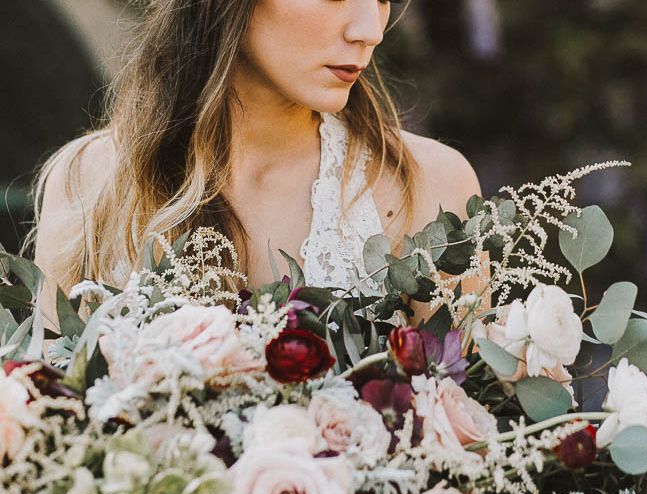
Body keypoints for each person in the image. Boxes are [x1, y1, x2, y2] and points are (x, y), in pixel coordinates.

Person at [28, 0, 481, 335]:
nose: (370, 30)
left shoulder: (427, 185)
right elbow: (50, 413)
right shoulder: (89, 180)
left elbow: (471, 430)